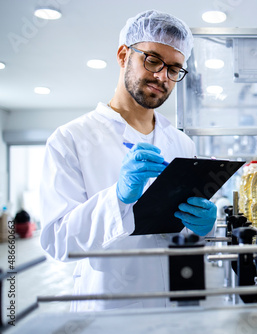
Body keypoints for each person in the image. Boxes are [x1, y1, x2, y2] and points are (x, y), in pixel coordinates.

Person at [39, 10, 217, 311]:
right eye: (153, 60)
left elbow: (182, 236)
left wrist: (204, 228)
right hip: (107, 310)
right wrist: (117, 198)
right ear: (124, 55)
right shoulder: (70, 139)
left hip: (174, 307)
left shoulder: (181, 143)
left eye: (174, 69)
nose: (163, 76)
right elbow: (58, 242)